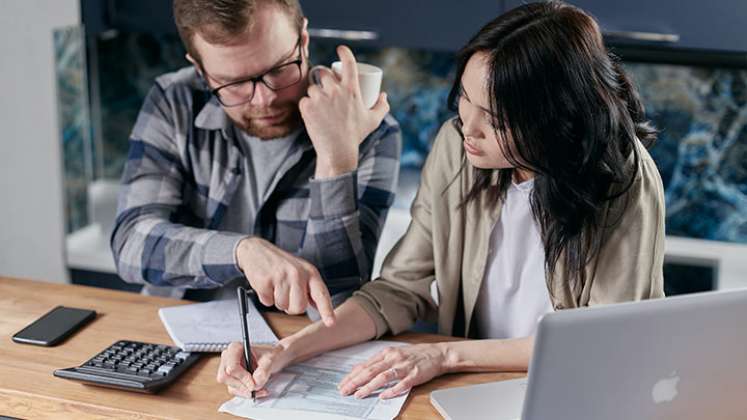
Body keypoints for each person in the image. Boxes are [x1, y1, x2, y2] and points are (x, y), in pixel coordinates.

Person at [217, 0, 666, 400]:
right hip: (470, 391)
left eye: (494, 120)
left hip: (572, 394)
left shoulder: (624, 178)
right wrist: (288, 350)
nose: (467, 128)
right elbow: (397, 290)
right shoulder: (457, 147)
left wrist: (445, 356)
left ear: (555, 119)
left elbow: (601, 341)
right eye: (465, 101)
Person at [111, 0, 402, 324]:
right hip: (174, 331)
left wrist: (336, 160)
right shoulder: (175, 101)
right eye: (234, 83)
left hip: (296, 347)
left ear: (303, 40)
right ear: (199, 69)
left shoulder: (370, 130)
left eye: (279, 69)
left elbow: (337, 305)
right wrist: (242, 252)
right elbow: (130, 245)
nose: (266, 100)